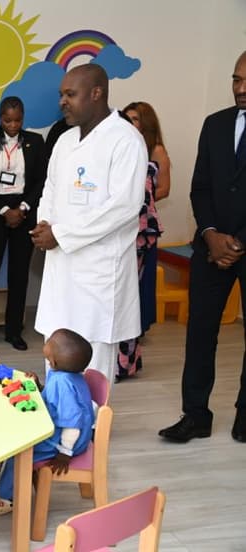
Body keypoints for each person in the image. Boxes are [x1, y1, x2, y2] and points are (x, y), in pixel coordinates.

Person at [30, 64, 147, 384]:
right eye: (61, 95)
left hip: (98, 270)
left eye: (70, 94)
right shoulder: (65, 141)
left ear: (97, 93)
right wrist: (44, 224)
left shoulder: (125, 139)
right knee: (56, 344)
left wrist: (62, 234)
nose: (63, 102)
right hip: (60, 265)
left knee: (93, 351)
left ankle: (92, 425)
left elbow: (124, 206)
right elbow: (50, 190)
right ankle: (57, 416)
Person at [159, 51, 246, 444]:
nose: (240, 88)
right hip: (211, 249)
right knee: (199, 333)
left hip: (241, 247)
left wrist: (238, 242)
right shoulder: (215, 124)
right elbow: (201, 187)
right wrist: (211, 235)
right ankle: (195, 415)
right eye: (235, 79)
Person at [0, 328, 95, 515]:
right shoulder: (65, 374)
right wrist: (39, 385)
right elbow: (55, 401)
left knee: (17, 454)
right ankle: (7, 486)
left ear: (54, 360)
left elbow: (73, 424)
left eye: (50, 342)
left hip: (63, 441)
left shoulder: (63, 383)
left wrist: (64, 454)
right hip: (62, 433)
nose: (47, 341)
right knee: (15, 445)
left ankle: (6, 498)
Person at [0, 96, 47, 351]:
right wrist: (5, 210)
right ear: (0, 118)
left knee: (19, 275)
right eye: (8, 120)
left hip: (25, 212)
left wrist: (23, 208)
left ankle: (13, 330)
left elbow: (42, 180)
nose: (13, 125)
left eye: (17, 119)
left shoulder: (35, 142)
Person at [116, 102, 169, 380]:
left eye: (136, 119)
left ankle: (125, 361)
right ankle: (119, 361)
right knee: (118, 297)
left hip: (139, 233)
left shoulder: (151, 153)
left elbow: (160, 190)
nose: (131, 123)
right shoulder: (122, 149)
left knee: (128, 297)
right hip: (120, 233)